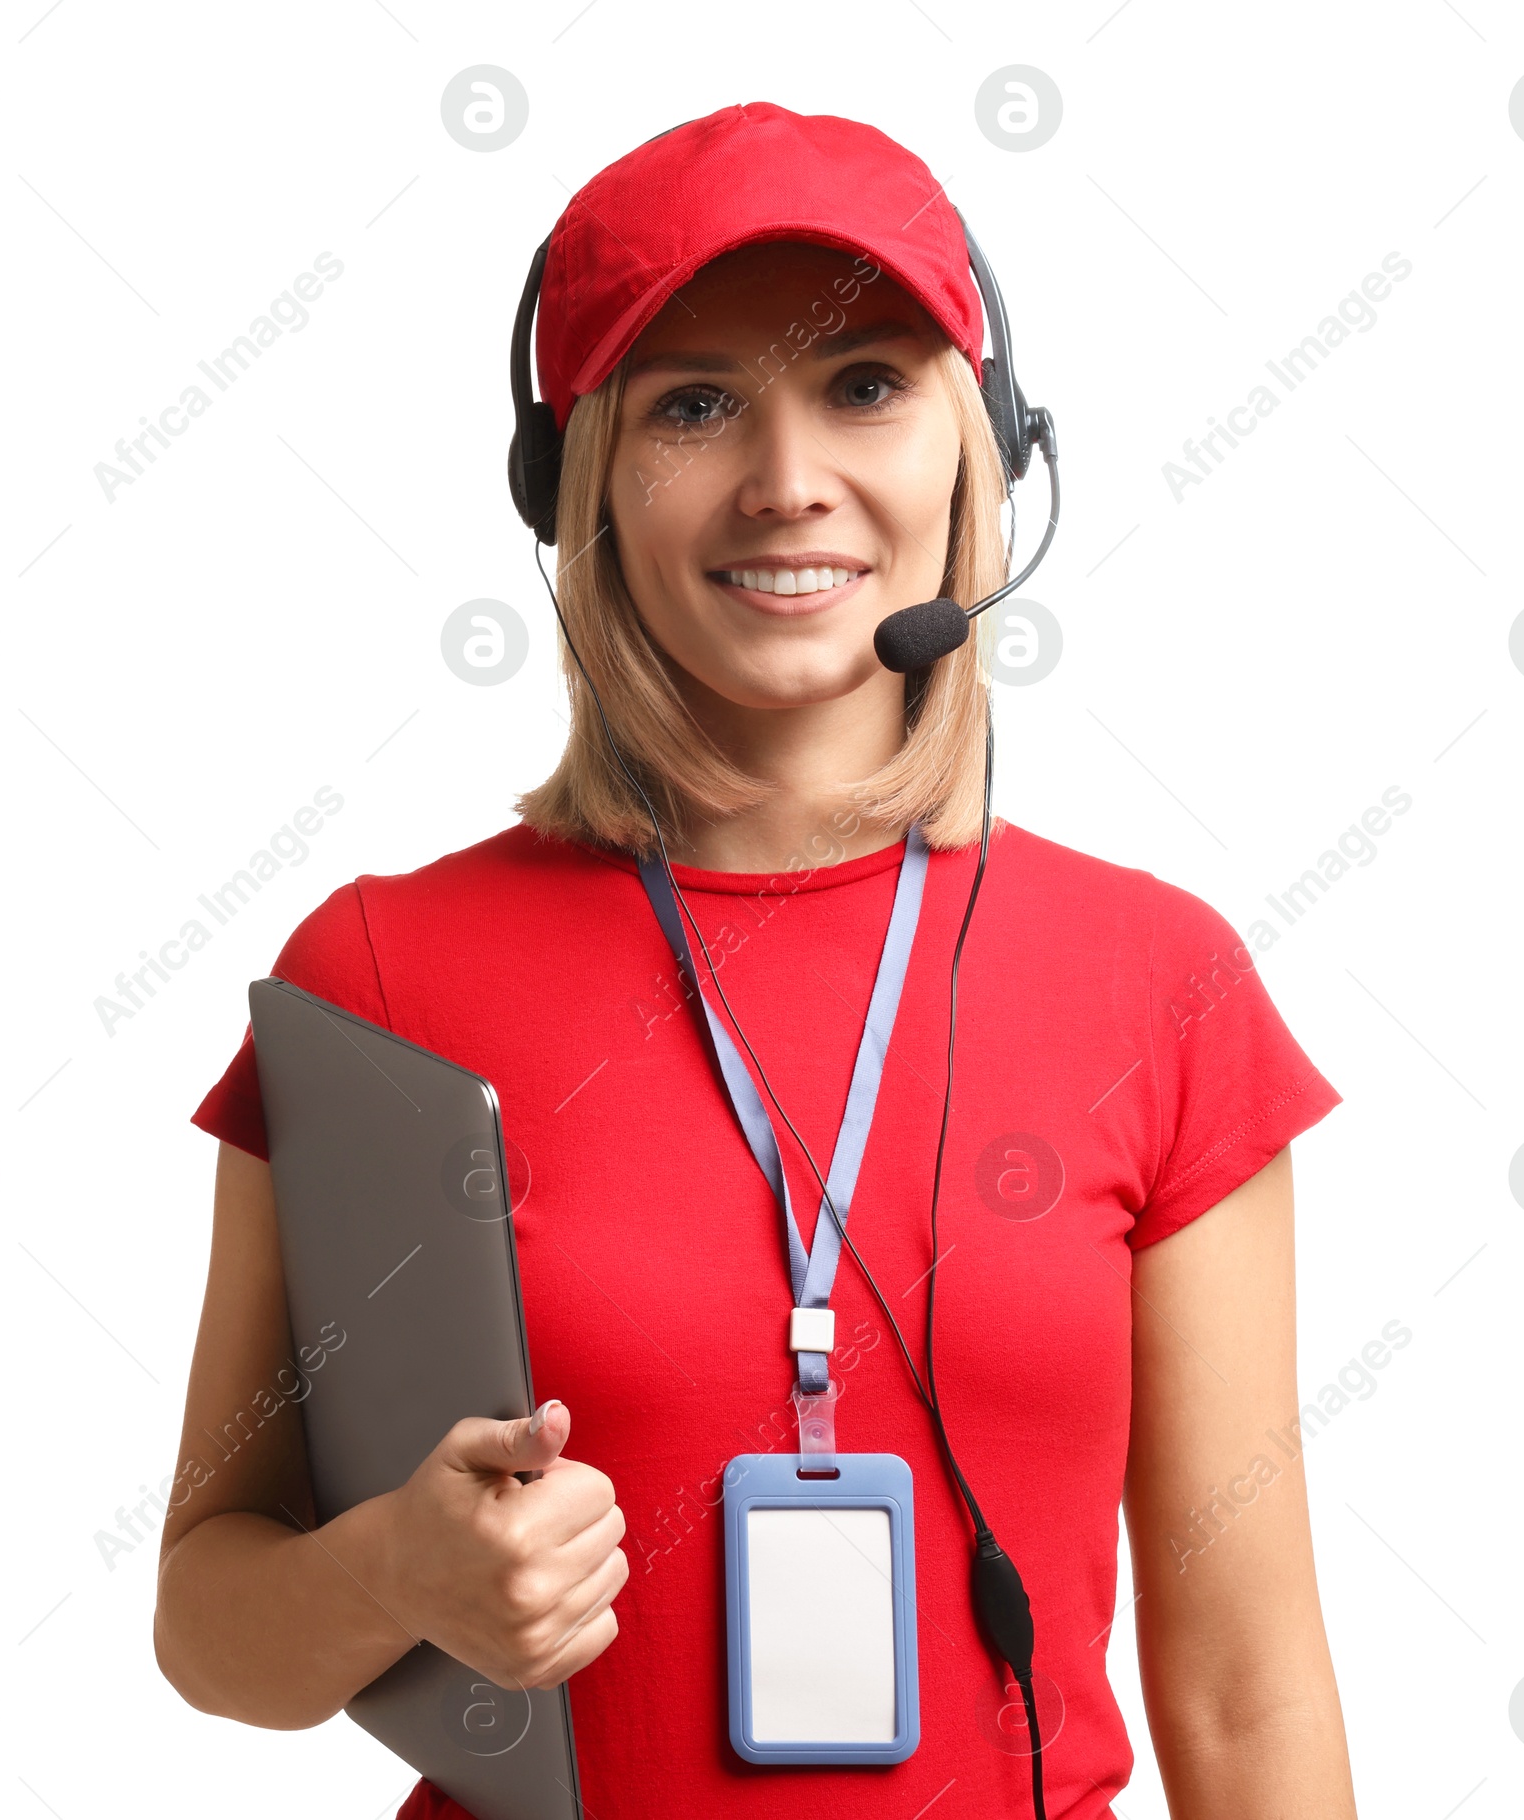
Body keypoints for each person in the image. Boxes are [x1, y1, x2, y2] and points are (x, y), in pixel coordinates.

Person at [154, 103, 1359, 1820]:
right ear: (578, 483)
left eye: (864, 383)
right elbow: (209, 1621)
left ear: (978, 446)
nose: (789, 477)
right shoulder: (378, 969)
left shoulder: (1157, 984)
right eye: (696, 404)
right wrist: (393, 1581)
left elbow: (1246, 1700)